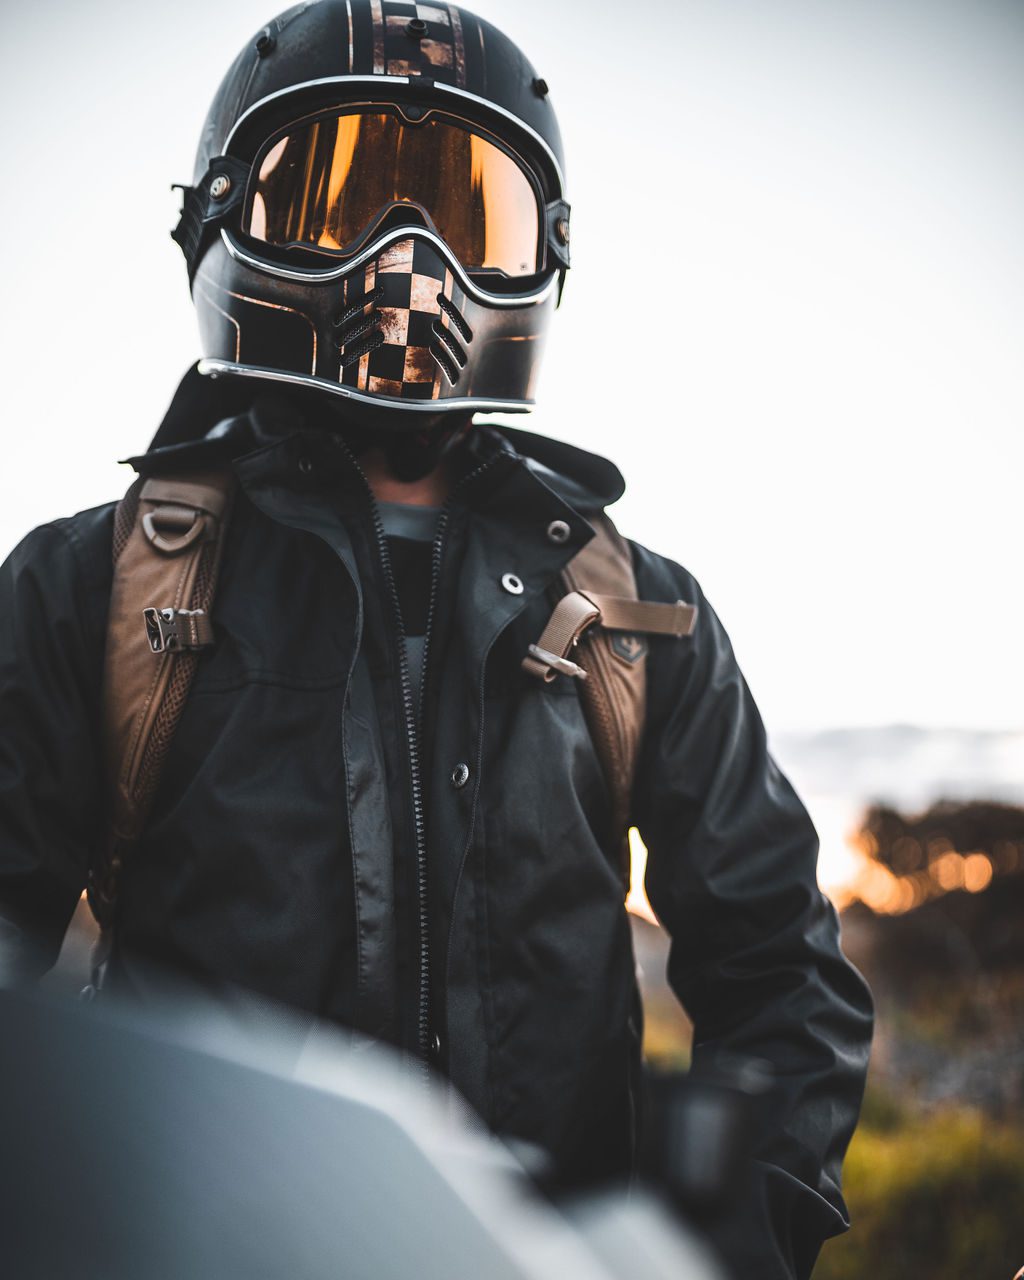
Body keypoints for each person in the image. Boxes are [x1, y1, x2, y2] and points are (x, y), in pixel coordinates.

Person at [0, 4, 872, 1277]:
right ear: (225, 218)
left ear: (546, 258)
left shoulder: (643, 613)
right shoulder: (92, 584)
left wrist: (726, 1244)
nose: (405, 258)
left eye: (469, 214)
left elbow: (781, 973)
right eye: (338, 197)